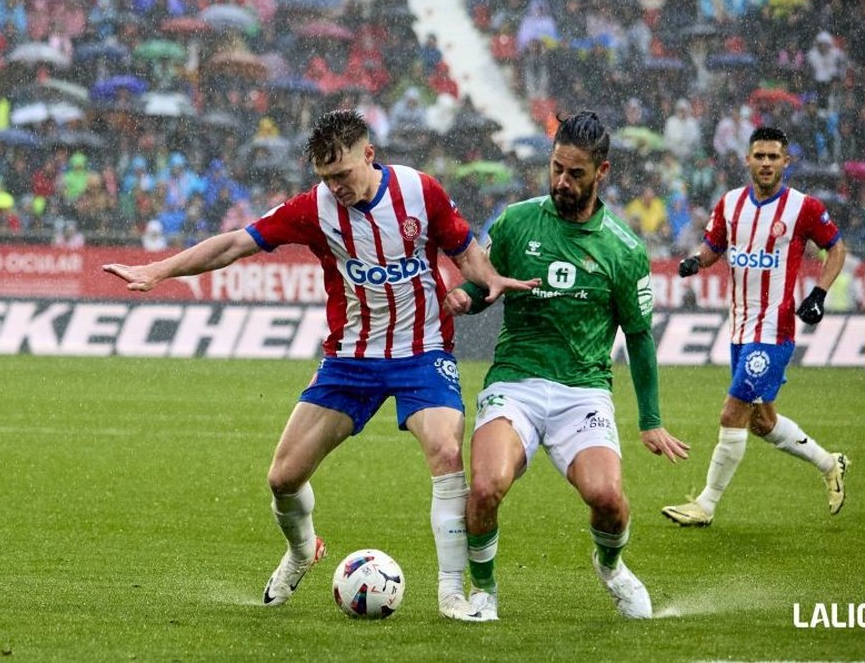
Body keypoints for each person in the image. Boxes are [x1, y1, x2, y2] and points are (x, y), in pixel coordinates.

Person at [103, 109, 538, 621]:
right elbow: (236, 243)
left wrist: (485, 283)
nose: (337, 188)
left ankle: (451, 594)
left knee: (445, 451)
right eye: (326, 179)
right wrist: (160, 270)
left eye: (344, 175)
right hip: (350, 360)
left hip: (421, 353)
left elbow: (467, 256)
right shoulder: (314, 209)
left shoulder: (422, 193)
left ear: (368, 156)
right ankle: (302, 551)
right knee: (283, 478)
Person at [443, 111, 690, 622]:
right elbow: (485, 283)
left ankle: (612, 568)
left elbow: (640, 338)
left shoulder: (623, 249)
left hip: (583, 391)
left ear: (603, 173)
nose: (561, 181)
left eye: (575, 173)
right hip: (515, 382)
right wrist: (466, 298)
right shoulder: (515, 221)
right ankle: (484, 591)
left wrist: (650, 419)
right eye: (556, 168)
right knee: (486, 486)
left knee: (609, 500)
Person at [661, 127, 850, 528]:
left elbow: (837, 248)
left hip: (774, 331)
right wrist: (696, 261)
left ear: (786, 162)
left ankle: (705, 504)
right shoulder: (730, 204)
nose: (766, 163)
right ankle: (829, 463)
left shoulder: (805, 208)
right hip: (740, 329)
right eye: (759, 156)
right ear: (747, 160)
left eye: (773, 157)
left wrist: (819, 293)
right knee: (762, 422)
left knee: (732, 413)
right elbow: (713, 250)